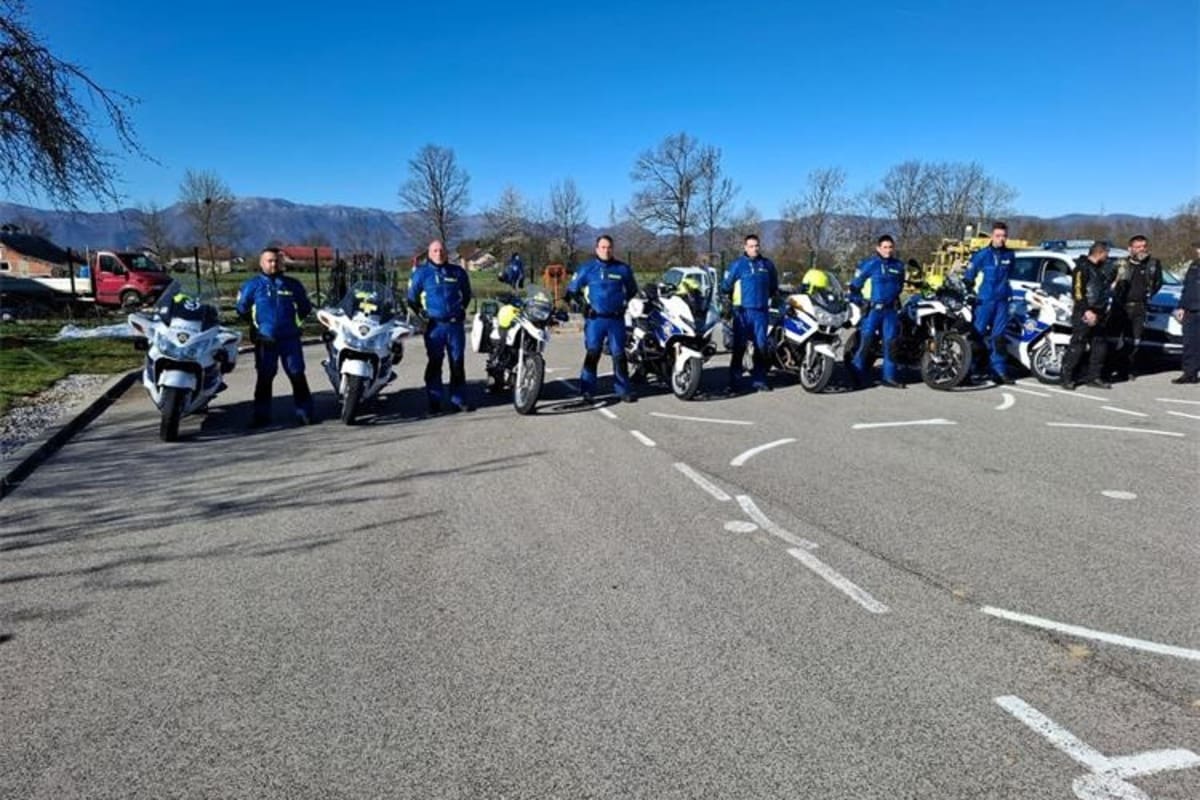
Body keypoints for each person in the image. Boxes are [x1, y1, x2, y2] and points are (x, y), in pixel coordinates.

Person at [236, 247, 315, 427]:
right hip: (266, 339)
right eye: (269, 261)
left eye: (277, 261)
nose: (274, 264)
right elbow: (242, 309)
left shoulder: (293, 284)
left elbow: (305, 308)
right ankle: (261, 416)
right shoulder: (252, 286)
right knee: (264, 378)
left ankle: (305, 413)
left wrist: (295, 324)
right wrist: (256, 327)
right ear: (261, 263)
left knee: (297, 375)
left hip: (290, 339)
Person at [564, 234, 638, 403]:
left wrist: (624, 304)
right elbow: (571, 293)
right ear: (597, 249)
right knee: (593, 354)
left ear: (613, 249)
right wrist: (583, 307)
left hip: (616, 320)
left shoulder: (623, 269)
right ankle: (587, 391)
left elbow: (632, 290)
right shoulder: (587, 268)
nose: (606, 250)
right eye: (603, 247)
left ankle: (623, 390)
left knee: (619, 355)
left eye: (609, 247)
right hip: (595, 320)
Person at [407, 240, 474, 414]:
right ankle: (434, 401)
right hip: (434, 327)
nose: (439, 253)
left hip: (455, 326)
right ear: (429, 253)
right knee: (435, 363)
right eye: (435, 250)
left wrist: (459, 311)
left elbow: (466, 295)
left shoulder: (458, 272)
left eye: (441, 250)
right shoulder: (422, 274)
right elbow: (412, 299)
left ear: (446, 252)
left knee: (457, 363)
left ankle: (458, 400)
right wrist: (422, 316)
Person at [719, 234, 779, 393]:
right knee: (739, 347)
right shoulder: (738, 265)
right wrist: (728, 303)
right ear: (745, 247)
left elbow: (774, 287)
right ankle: (735, 382)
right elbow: (725, 286)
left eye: (757, 246)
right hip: (742, 312)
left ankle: (759, 380)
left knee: (761, 347)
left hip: (761, 313)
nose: (754, 249)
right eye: (751, 246)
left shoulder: (767, 265)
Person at [848, 235, 907, 389]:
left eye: (890, 247)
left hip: (891, 311)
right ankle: (857, 376)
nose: (888, 250)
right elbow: (854, 287)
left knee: (891, 344)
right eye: (885, 247)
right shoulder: (869, 264)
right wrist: (860, 303)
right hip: (873, 311)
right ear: (878, 248)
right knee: (866, 343)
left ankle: (889, 377)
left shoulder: (899, 266)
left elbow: (900, 286)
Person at [963, 221, 1016, 384]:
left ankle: (998, 371)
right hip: (984, 301)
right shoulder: (982, 254)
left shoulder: (1010, 255)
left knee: (999, 337)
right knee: (976, 334)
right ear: (992, 236)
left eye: (1004, 236)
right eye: (998, 236)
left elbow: (1010, 275)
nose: (1001, 239)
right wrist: (969, 291)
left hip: (1002, 301)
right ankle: (968, 369)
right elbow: (969, 275)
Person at [1107, 234, 1163, 381]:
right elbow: (1107, 280)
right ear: (1130, 248)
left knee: (1134, 341)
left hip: (1139, 307)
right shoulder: (1120, 263)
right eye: (1138, 247)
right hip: (1120, 306)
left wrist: (1149, 294)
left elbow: (1158, 283)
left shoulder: (1153, 264)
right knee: (1113, 339)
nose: (1141, 249)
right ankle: (1108, 368)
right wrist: (1113, 287)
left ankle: (1127, 370)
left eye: (1144, 246)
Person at [1060, 242, 1112, 390]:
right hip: (1085, 312)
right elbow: (1077, 291)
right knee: (1078, 345)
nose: (1107, 257)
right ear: (1100, 253)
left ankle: (1094, 377)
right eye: (1106, 254)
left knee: (1099, 346)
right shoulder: (1082, 267)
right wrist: (1086, 310)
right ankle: (1066, 377)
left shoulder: (1100, 270)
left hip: (1100, 312)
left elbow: (1102, 289)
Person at [1171, 242, 1200, 384]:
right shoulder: (1194, 265)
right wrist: (1181, 306)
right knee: (1190, 344)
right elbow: (1186, 288)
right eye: (1198, 248)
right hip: (1191, 310)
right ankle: (1190, 373)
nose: (1199, 251)